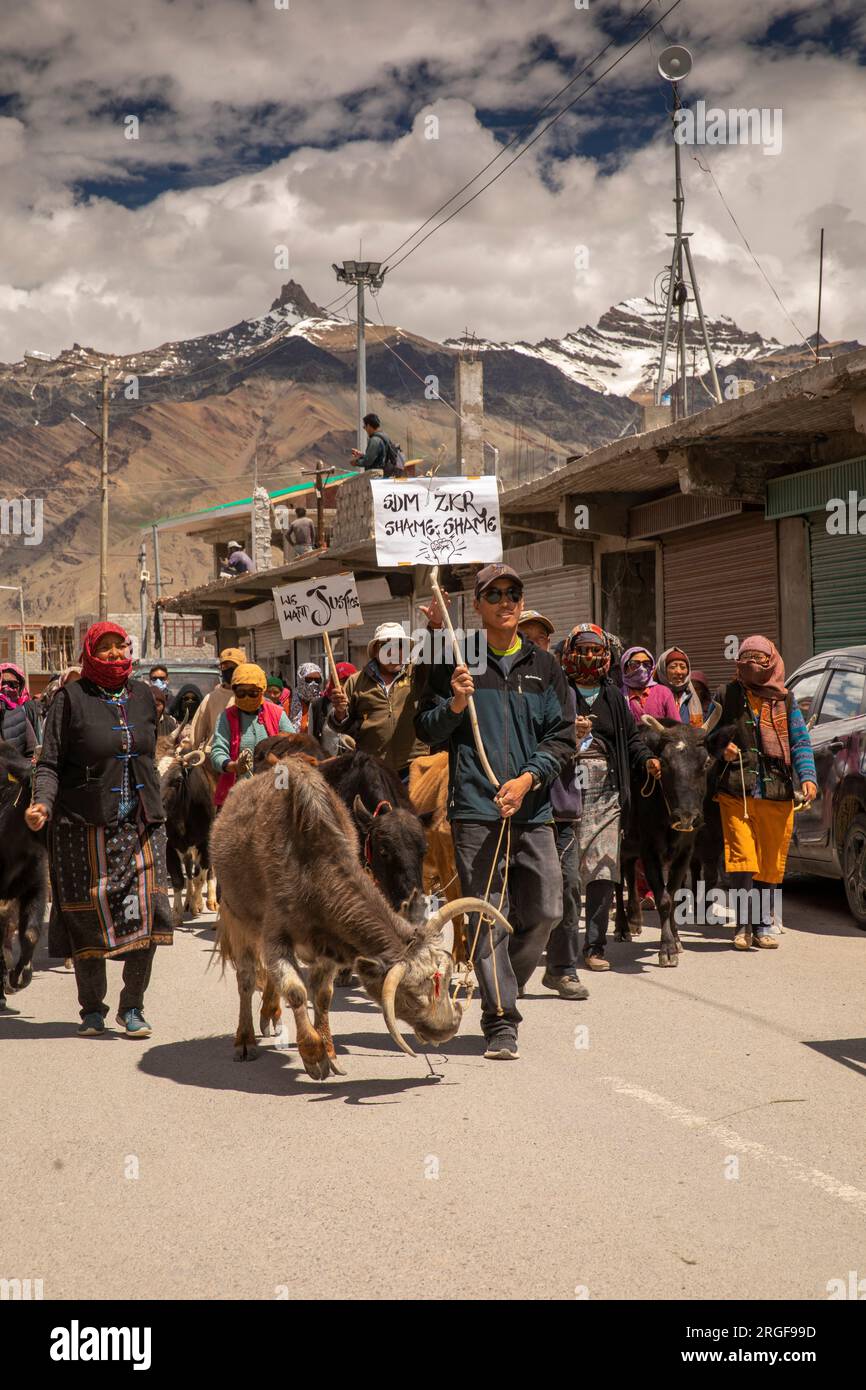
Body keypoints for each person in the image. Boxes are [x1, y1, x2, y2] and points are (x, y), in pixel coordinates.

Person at [415, 563, 575, 1060]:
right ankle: (500, 1019)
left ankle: (508, 982)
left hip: (532, 810)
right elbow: (426, 728)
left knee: (548, 908)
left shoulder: (545, 667)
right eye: (495, 594)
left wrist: (528, 780)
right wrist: (457, 704)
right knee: (487, 917)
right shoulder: (455, 661)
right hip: (474, 810)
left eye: (513, 593)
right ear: (478, 606)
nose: (506, 601)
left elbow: (562, 737)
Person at [24, 621, 173, 1038]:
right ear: (90, 653)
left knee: (149, 912)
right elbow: (49, 763)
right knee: (86, 915)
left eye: (118, 646)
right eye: (103, 648)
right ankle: (92, 1009)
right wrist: (42, 803)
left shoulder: (144, 696)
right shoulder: (70, 699)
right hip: (82, 826)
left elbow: (149, 750)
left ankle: (133, 1007)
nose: (112, 654)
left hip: (142, 822)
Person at [560, 625, 661, 973]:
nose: (589, 656)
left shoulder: (613, 696)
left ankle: (595, 946)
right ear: (571, 653)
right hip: (564, 792)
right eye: (582, 650)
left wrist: (646, 758)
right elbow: (540, 734)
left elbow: (631, 739)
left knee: (604, 870)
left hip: (607, 796)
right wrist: (570, 734)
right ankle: (565, 942)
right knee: (569, 876)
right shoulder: (558, 691)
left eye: (595, 651)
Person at [715, 636, 817, 951]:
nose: (753, 663)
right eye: (747, 657)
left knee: (769, 861)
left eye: (760, 658)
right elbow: (707, 732)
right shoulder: (726, 694)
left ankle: (762, 925)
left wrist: (808, 776)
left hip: (777, 789)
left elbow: (799, 741)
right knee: (744, 859)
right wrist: (722, 747)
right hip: (737, 790)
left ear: (771, 661)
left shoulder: (785, 699)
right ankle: (744, 926)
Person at [329, 607, 443, 778]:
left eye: (399, 645)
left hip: (414, 768)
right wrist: (339, 712)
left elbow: (432, 653)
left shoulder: (418, 673)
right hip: (372, 771)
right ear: (376, 651)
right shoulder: (355, 681)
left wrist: (435, 625)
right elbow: (340, 725)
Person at [211, 663, 294, 808]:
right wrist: (233, 766)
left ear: (262, 690)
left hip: (275, 793)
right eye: (241, 693)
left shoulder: (277, 713)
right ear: (234, 691)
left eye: (253, 693)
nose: (247, 697)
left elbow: (293, 745)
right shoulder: (226, 717)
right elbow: (218, 751)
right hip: (237, 796)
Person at [180, 648, 245, 753]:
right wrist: (186, 750)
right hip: (214, 757)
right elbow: (196, 733)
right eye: (225, 667)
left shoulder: (251, 697)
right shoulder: (211, 698)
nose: (229, 671)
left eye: (233, 667)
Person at [620, 646, 680, 723]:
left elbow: (676, 727)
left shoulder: (663, 693)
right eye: (634, 664)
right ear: (625, 667)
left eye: (647, 664)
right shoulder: (619, 695)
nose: (641, 668)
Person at [654, 646, 705, 725]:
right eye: (673, 667)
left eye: (683, 667)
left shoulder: (691, 695)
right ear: (663, 670)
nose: (679, 672)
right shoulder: (653, 695)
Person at [0, 662, 38, 753]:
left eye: (12, 684)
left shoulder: (26, 710)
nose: (6, 688)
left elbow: (33, 751)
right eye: (3, 683)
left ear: (20, 687)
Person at [289, 662, 327, 738]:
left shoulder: (324, 703)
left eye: (317, 680)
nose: (313, 683)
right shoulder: (289, 703)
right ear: (300, 679)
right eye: (309, 679)